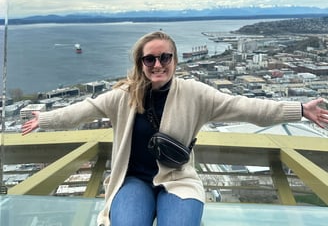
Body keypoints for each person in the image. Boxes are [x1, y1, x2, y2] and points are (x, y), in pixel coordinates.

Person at [22, 31, 328, 226]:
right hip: (132, 181)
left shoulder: (195, 93)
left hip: (177, 178)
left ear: (175, 59)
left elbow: (246, 107)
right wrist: (44, 119)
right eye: (150, 58)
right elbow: (83, 110)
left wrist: (299, 110)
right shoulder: (123, 96)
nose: (158, 64)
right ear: (140, 63)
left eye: (164, 57)